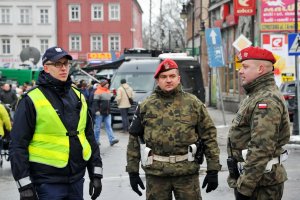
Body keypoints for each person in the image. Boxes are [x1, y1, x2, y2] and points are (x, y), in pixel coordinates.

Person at [9, 46, 103, 200]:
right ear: (46, 67)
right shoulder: (31, 99)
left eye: (66, 63)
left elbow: (88, 136)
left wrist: (96, 173)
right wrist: (24, 185)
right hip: (46, 182)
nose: (63, 68)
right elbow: (17, 145)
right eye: (58, 64)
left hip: (76, 179)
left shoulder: (78, 96)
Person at [126, 59, 222, 199]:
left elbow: (209, 136)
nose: (168, 80)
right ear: (157, 80)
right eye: (163, 77)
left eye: (172, 76)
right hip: (156, 175)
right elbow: (134, 139)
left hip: (186, 175)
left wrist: (213, 169)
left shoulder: (193, 103)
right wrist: (132, 172)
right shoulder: (146, 106)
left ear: (178, 78)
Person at [227, 46, 290, 200]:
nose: (240, 71)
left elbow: (261, 147)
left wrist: (245, 187)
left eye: (245, 66)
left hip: (261, 184)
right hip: (256, 180)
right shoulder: (256, 95)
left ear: (260, 69)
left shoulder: (265, 100)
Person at [92, 79, 119, 146]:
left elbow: (110, 100)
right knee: (97, 128)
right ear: (104, 84)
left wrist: (114, 96)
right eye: (107, 84)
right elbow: (95, 102)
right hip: (100, 113)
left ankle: (112, 140)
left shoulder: (108, 91)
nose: (108, 85)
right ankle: (96, 141)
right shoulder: (98, 92)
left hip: (107, 112)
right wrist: (97, 110)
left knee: (108, 126)